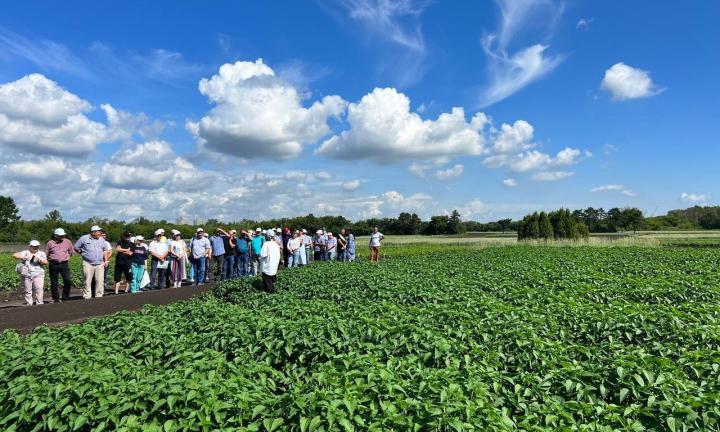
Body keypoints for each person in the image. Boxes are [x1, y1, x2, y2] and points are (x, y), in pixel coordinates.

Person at [74, 225, 112, 299]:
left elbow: (105, 250)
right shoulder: (84, 238)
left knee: (100, 281)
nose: (100, 233)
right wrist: (81, 253)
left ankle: (99, 295)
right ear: (93, 232)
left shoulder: (101, 239)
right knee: (87, 281)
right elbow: (76, 247)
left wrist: (106, 260)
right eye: (99, 231)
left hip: (100, 263)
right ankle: (87, 296)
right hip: (88, 263)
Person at [14, 240, 48, 306]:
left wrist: (40, 260)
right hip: (27, 274)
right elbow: (15, 255)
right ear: (30, 246)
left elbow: (46, 262)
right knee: (28, 290)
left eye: (37, 246)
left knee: (39, 289)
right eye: (34, 246)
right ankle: (29, 304)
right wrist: (24, 257)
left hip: (39, 274)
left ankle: (40, 303)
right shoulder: (26, 252)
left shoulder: (41, 253)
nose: (36, 248)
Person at [45, 228, 74, 302]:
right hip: (53, 263)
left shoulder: (67, 242)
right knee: (54, 282)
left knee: (67, 280)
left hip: (64, 263)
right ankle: (56, 298)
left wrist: (66, 257)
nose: (62, 237)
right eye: (60, 235)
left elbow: (71, 252)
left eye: (63, 235)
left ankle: (65, 297)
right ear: (55, 235)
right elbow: (47, 254)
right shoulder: (50, 243)